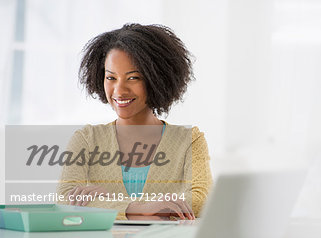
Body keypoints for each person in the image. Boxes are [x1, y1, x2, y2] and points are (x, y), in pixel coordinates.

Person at [57, 23, 212, 220]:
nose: (119, 90)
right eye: (111, 77)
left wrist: (107, 204)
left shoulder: (190, 140)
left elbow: (201, 200)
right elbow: (65, 200)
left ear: (157, 79)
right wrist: (141, 208)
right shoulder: (86, 139)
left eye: (133, 78)